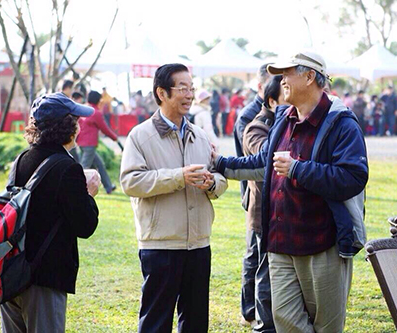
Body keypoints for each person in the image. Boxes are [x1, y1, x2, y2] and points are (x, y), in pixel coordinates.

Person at [212, 50, 368, 333]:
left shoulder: (342, 123)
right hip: (280, 244)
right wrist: (221, 164)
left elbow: (353, 177)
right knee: (285, 322)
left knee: (326, 327)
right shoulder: (284, 118)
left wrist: (298, 169)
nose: (281, 79)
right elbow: (264, 164)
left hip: (324, 244)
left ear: (310, 77)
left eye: (288, 73)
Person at [120, 63, 228, 333]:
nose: (189, 94)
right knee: (156, 321)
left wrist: (212, 182)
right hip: (161, 244)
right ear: (162, 93)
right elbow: (130, 181)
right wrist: (178, 177)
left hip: (198, 243)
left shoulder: (199, 136)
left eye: (191, 88)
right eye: (182, 88)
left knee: (195, 322)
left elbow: (219, 176)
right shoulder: (140, 136)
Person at [0, 92, 100, 332]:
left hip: (12, 271)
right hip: (44, 278)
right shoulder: (68, 167)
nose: (80, 125)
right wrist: (89, 194)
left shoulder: (22, 159)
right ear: (67, 126)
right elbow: (85, 226)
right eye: (76, 120)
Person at [242, 74, 287, 333]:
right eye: (285, 99)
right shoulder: (256, 127)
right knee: (265, 272)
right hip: (263, 213)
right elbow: (266, 158)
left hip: (281, 212)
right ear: (271, 101)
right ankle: (264, 325)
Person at [231, 63, 272, 326]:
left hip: (262, 194)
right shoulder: (250, 117)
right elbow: (254, 159)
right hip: (253, 193)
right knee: (253, 256)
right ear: (261, 87)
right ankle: (250, 309)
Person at [76, 90, 119, 194]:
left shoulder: (83, 109)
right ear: (97, 100)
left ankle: (108, 186)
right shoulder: (95, 112)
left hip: (81, 142)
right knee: (83, 167)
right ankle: (76, 187)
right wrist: (114, 137)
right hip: (89, 144)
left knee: (100, 164)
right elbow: (104, 128)